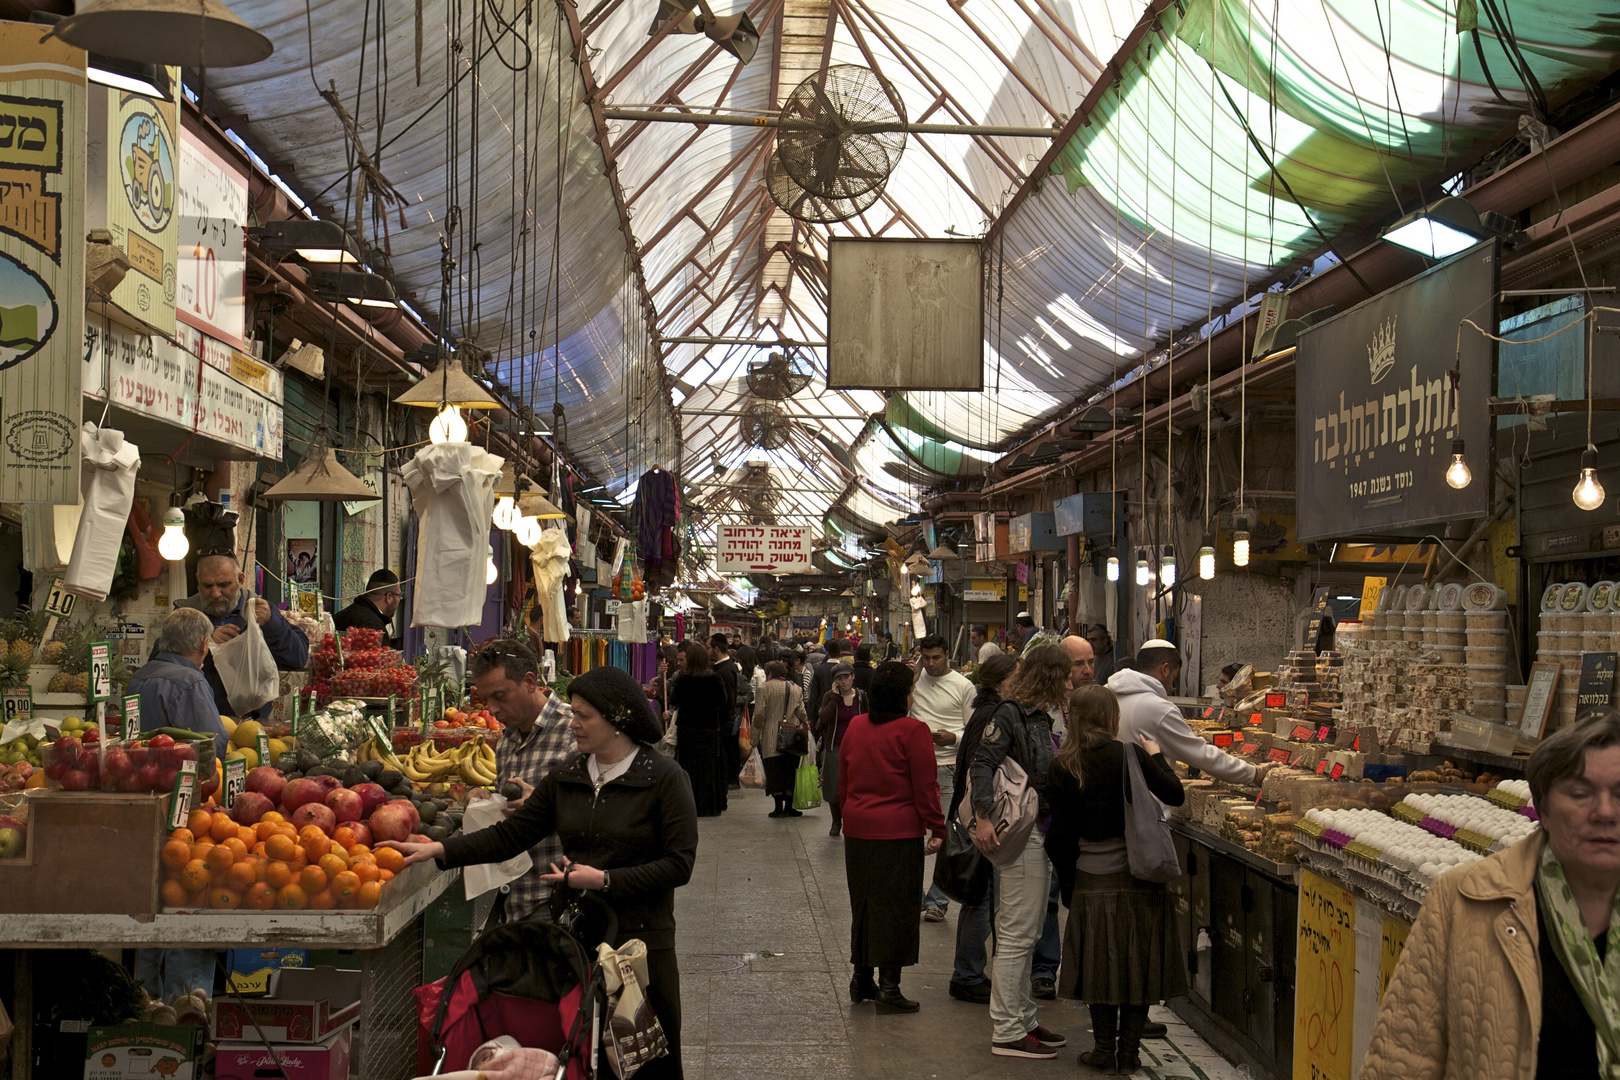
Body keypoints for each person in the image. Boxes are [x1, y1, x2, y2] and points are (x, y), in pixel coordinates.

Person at [383, 666, 698, 1080]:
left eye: (584, 715)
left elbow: (679, 864)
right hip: (579, 942)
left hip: (640, 947)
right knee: (584, 1054)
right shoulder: (569, 775)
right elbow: (512, 834)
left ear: (618, 720)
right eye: (575, 713)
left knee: (646, 1061)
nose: (574, 724)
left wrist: (603, 880)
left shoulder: (664, 779)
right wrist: (439, 850)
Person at [1362, 709, 1620, 1079]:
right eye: (1580, 794)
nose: (1606, 812)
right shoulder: (1463, 901)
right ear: (1543, 809)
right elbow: (1402, 1057)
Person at [1046, 684, 1186, 1072]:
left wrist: (1070, 884)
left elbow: (1058, 838)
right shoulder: (1131, 756)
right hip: (1140, 878)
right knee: (1137, 965)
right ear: (1111, 718)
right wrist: (1158, 757)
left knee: (1099, 966)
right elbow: (1174, 794)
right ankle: (1130, 1053)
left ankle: (1104, 1049)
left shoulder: (1062, 766)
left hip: (1092, 879)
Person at [971, 644, 1068, 1060]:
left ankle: (1023, 1018)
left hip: (1039, 832)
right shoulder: (1009, 715)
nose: (1069, 682)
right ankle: (1008, 1030)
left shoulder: (1040, 716)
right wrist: (984, 817)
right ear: (1049, 676)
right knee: (1015, 934)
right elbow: (981, 764)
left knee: (1025, 932)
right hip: (1022, 834)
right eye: (1065, 674)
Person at [839, 660, 947, 1013]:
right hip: (898, 833)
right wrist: (937, 826)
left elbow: (844, 779)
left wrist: (848, 813)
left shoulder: (855, 726)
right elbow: (925, 788)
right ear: (902, 695)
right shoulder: (914, 731)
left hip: (857, 830)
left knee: (865, 905)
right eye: (911, 689)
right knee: (897, 908)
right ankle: (889, 987)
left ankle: (861, 978)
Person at [469, 639, 577, 921]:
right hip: (512, 898)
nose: (491, 709)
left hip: (553, 901)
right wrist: (487, 799)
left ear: (530, 681)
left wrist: (546, 806)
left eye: (500, 696)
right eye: (486, 699)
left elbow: (600, 812)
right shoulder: (507, 740)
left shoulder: (573, 732)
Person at [948, 652, 1019, 1005]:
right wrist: (982, 816)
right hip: (982, 819)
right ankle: (968, 974)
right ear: (1001, 681)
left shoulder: (983, 711)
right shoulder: (994, 714)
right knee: (982, 896)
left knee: (978, 895)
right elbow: (980, 770)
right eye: (1016, 677)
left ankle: (968, 971)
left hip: (974, 816)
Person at [1111, 640, 1271, 787]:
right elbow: (1201, 755)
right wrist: (1253, 774)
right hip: (1145, 807)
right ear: (1165, 669)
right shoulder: (1157, 708)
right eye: (1173, 678)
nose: (1171, 686)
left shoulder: (1108, 694)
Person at [176, 553, 309, 721]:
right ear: (197, 580)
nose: (216, 593)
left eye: (224, 585)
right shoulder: (184, 615)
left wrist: (272, 624)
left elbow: (298, 658)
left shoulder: (260, 609)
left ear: (240, 579)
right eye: (207, 586)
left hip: (251, 721)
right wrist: (207, 644)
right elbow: (165, 663)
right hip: (197, 720)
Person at [912, 633, 976, 923]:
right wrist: (912, 678)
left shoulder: (964, 686)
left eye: (936, 657)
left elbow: (973, 730)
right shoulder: (916, 681)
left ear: (947, 654)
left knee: (946, 835)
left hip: (949, 768)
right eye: (926, 658)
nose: (931, 663)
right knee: (911, 833)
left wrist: (954, 737)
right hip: (915, 768)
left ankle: (937, 901)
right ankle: (912, 895)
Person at [126, 609, 229, 759]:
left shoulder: (140, 674)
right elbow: (213, 745)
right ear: (204, 644)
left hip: (140, 770)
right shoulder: (190, 682)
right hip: (174, 775)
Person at [672, 641, 730, 816]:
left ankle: (689, 804)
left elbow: (674, 701)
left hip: (687, 729)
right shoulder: (715, 679)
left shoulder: (682, 680)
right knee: (708, 768)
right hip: (709, 730)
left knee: (688, 767)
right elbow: (723, 702)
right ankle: (708, 805)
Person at [818, 663, 871, 837]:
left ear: (853, 677)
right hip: (835, 745)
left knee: (855, 786)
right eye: (839, 678)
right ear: (835, 681)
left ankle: (851, 820)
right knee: (834, 787)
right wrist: (834, 698)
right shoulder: (830, 696)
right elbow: (824, 718)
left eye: (846, 677)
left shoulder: (862, 697)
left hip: (858, 747)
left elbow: (869, 718)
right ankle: (836, 821)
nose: (843, 681)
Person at [752, 660, 809, 817]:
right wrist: (805, 726)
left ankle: (778, 808)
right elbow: (801, 712)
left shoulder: (764, 688)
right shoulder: (795, 688)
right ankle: (789, 807)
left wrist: (754, 739)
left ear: (770, 673)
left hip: (771, 735)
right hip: (792, 737)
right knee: (790, 770)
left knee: (774, 770)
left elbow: (758, 716)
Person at [334, 569, 402, 646]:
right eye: (399, 595)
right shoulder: (373, 627)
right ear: (389, 597)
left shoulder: (347, 613)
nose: (399, 600)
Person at [709, 634, 742, 789]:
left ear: (716, 649)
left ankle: (729, 780)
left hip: (724, 721)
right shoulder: (722, 667)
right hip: (724, 720)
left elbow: (727, 700)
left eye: (709, 648)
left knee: (727, 753)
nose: (707, 651)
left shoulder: (725, 670)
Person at [808, 638, 846, 715]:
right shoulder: (844, 670)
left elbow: (814, 694)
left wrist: (810, 714)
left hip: (821, 709)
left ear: (827, 653)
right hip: (841, 708)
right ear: (839, 653)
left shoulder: (819, 669)